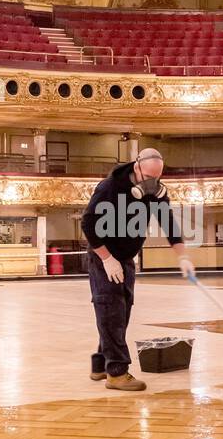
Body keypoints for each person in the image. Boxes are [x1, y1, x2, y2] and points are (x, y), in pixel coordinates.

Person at [81, 148, 193, 391]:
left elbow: (168, 223)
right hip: (104, 256)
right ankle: (117, 373)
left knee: (120, 313)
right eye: (148, 177)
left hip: (126, 258)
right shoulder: (109, 187)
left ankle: (100, 365)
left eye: (157, 178)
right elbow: (88, 224)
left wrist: (182, 256)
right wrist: (107, 259)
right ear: (136, 167)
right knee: (110, 309)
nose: (152, 183)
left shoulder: (155, 192)